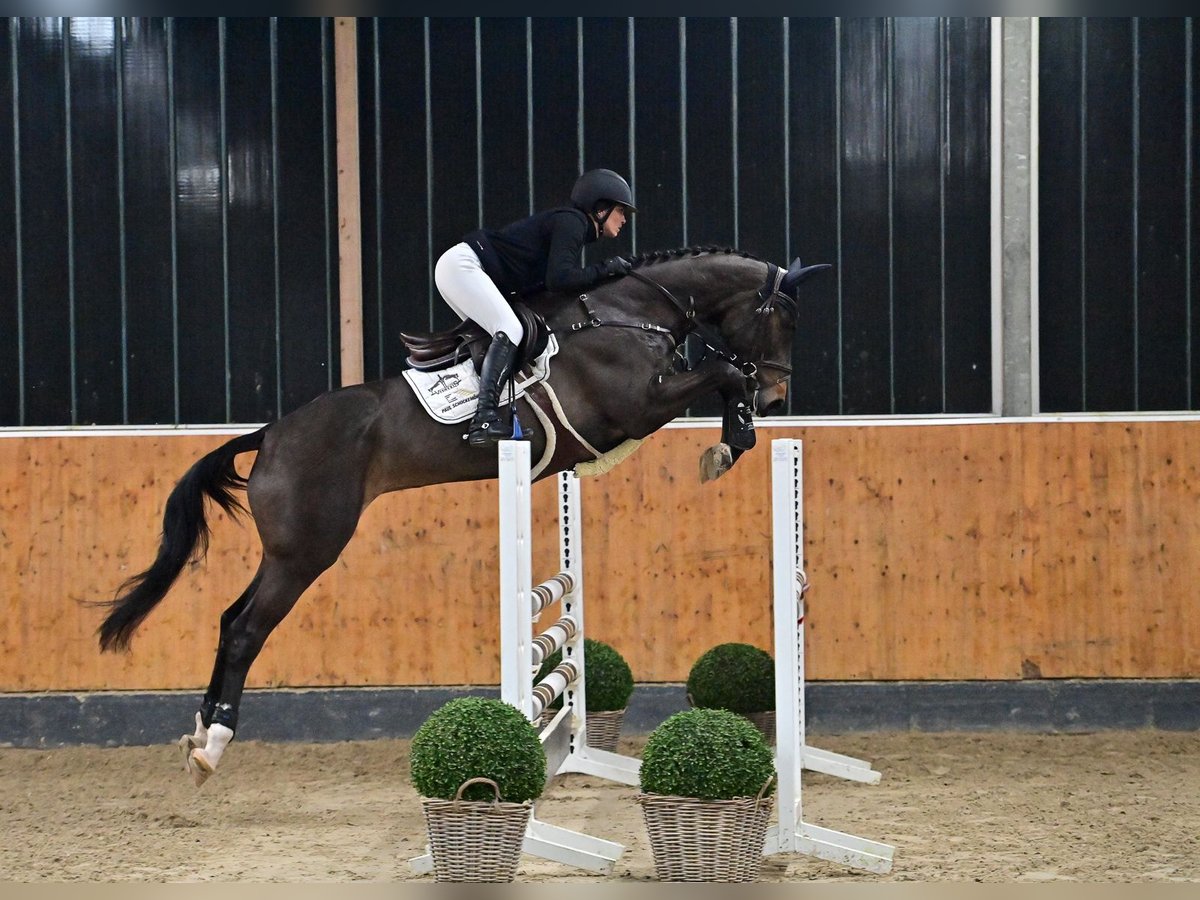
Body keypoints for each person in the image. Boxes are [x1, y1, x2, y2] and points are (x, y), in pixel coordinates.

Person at [434, 168, 636, 447]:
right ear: (600, 208)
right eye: (621, 211)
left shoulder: (572, 225)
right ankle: (484, 418)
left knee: (503, 338)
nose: (624, 219)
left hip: (460, 269)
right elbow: (559, 279)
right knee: (509, 329)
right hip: (464, 267)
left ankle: (474, 411)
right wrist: (606, 268)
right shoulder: (573, 222)